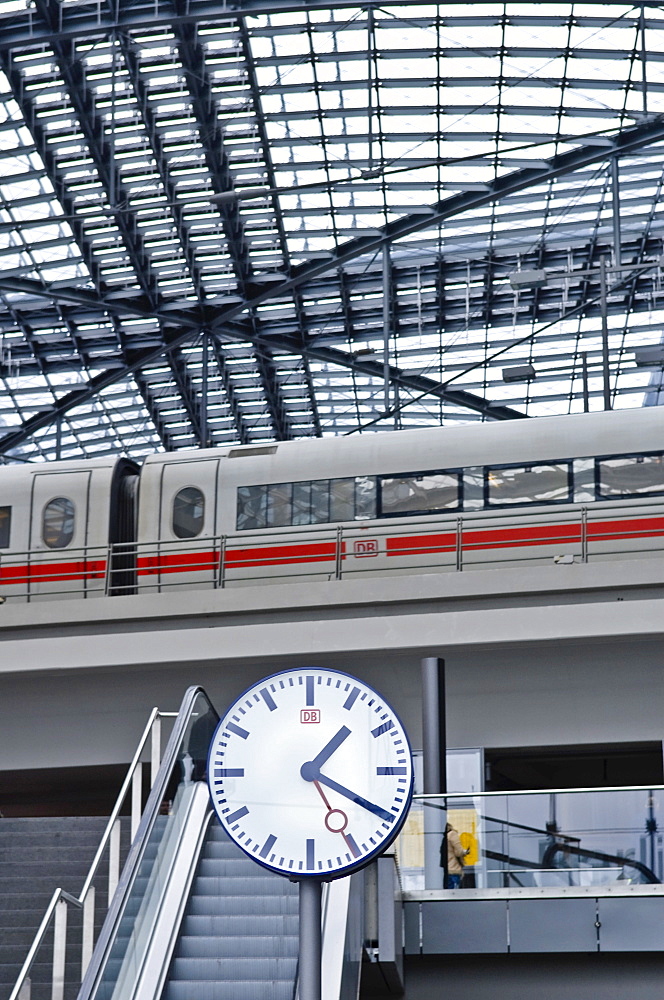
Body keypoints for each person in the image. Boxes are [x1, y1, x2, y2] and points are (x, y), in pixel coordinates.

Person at [441, 822, 470, 889]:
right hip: (453, 869)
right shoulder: (452, 834)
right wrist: (465, 852)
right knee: (453, 894)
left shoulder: (441, 837)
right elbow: (459, 852)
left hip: (443, 871)